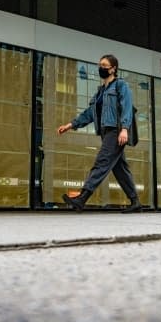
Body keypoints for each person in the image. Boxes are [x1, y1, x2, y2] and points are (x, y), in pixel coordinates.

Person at [57, 54, 142, 213]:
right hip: (105, 132)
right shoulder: (100, 92)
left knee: (102, 161)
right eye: (100, 65)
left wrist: (124, 128)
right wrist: (70, 125)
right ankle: (135, 201)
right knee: (119, 168)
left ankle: (82, 198)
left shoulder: (120, 85)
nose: (101, 68)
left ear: (113, 69)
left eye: (104, 65)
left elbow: (127, 108)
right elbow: (90, 113)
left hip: (116, 131)